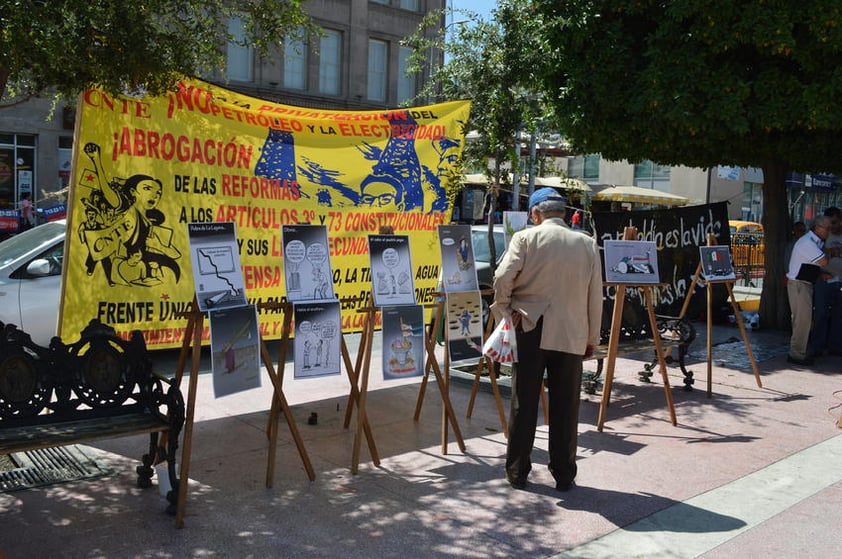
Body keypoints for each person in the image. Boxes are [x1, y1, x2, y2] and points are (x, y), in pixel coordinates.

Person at [492, 187, 602, 492]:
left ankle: (517, 471)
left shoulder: (526, 238)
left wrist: (504, 310)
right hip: (571, 331)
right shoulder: (586, 244)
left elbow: (502, 278)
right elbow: (595, 298)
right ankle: (564, 474)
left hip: (530, 327)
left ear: (535, 214)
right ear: (563, 214)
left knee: (523, 403)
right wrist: (591, 338)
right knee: (567, 406)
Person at [786, 215, 831, 365]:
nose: (829, 231)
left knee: (803, 320)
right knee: (802, 320)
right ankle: (797, 354)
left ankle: (799, 351)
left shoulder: (813, 242)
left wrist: (819, 274)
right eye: (827, 228)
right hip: (799, 285)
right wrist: (832, 252)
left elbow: (807, 265)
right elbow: (823, 261)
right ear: (817, 228)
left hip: (803, 283)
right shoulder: (808, 243)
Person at [811, 207, 842, 357]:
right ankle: (818, 346)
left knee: (838, 315)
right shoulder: (820, 238)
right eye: (829, 224)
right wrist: (819, 273)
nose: (832, 227)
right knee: (821, 314)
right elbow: (810, 259)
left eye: (835, 223)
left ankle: (835, 346)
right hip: (824, 279)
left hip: (839, 280)